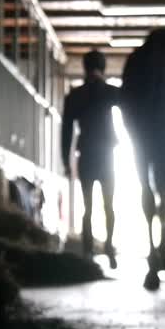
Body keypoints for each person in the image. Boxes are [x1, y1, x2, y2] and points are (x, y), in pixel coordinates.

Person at [61, 49, 120, 268]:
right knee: (108, 205)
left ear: (85, 68)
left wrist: (66, 161)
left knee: (88, 206)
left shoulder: (75, 96)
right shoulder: (109, 92)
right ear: (103, 68)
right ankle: (109, 249)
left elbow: (66, 131)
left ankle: (88, 251)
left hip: (86, 155)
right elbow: (130, 104)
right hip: (106, 155)